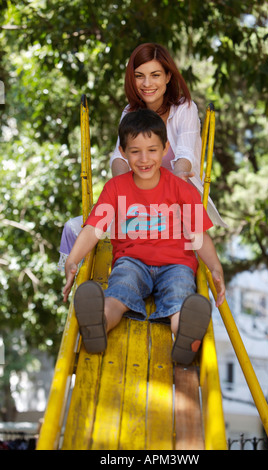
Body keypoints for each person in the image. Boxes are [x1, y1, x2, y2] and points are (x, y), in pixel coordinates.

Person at [63, 109, 225, 365]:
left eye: (152, 149)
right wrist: (72, 261)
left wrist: (215, 267)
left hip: (176, 264)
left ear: (165, 149)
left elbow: (198, 236)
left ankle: (187, 336)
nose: (144, 158)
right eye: (135, 151)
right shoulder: (116, 188)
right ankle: (98, 323)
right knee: (118, 293)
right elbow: (94, 228)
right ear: (124, 153)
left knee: (180, 298)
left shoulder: (182, 189)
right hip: (132, 261)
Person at [57, 43, 227, 271]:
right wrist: (125, 194)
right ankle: (76, 286)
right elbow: (119, 158)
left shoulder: (184, 108)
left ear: (168, 76)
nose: (147, 84)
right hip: (134, 205)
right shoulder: (130, 112)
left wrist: (168, 191)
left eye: (155, 75)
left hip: (173, 204)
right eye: (139, 76)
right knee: (73, 227)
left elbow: (185, 157)